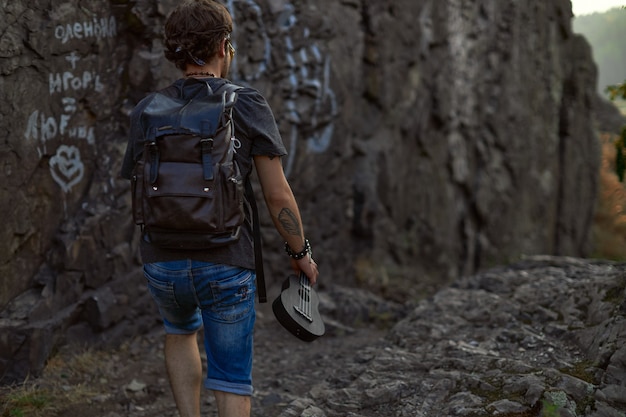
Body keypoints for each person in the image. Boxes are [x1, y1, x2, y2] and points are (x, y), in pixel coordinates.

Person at [120, 1, 319, 416]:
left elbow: (137, 185)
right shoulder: (245, 103)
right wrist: (299, 253)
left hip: (162, 261)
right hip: (226, 259)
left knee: (179, 331)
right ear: (225, 46)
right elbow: (277, 194)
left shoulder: (146, 110)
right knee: (230, 375)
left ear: (174, 52)